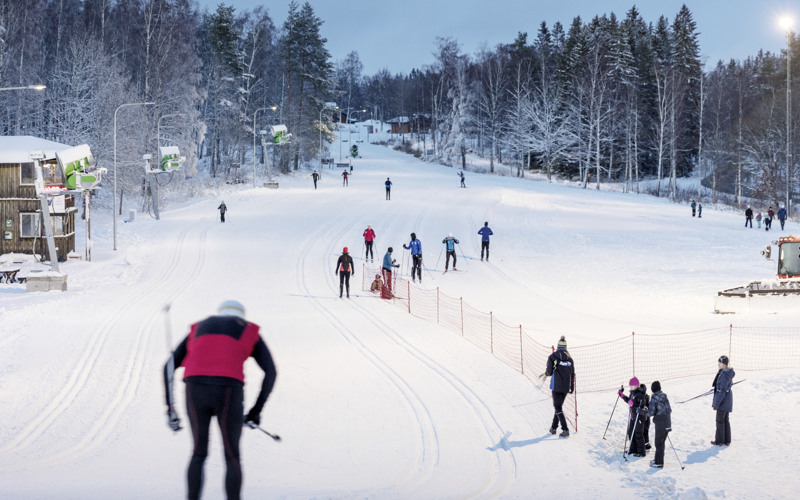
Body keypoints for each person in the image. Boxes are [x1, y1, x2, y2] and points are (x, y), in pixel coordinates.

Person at [163, 300, 277, 500]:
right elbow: (271, 372)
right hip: (228, 390)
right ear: (240, 316)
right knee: (232, 455)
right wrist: (255, 411)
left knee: (198, 453)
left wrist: (170, 408)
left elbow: (168, 367)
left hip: (195, 388)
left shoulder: (198, 328)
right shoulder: (248, 329)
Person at [542, 336, 574, 438]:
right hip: (565, 387)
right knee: (558, 407)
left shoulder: (552, 357)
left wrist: (546, 373)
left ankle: (565, 429)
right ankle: (553, 428)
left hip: (556, 386)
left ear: (558, 346)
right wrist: (571, 386)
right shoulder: (570, 358)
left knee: (557, 407)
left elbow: (549, 372)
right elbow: (572, 374)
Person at [618, 376, 648, 457]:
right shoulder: (632, 393)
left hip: (639, 418)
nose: (631, 387)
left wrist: (633, 405)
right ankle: (633, 449)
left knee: (638, 434)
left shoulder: (640, 394)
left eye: (632, 385)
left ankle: (641, 452)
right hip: (633, 417)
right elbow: (629, 401)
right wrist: (622, 396)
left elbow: (641, 406)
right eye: (630, 385)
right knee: (631, 433)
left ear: (636, 386)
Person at [647, 381, 672, 469]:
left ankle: (659, 463)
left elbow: (650, 413)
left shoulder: (654, 398)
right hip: (667, 422)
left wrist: (641, 411)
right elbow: (670, 410)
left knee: (658, 443)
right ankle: (657, 459)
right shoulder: (665, 397)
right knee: (661, 443)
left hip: (660, 424)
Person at [711, 355, 735, 446]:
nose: (718, 365)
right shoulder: (727, 372)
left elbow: (722, 391)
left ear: (724, 364)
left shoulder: (724, 375)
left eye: (720, 363)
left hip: (723, 400)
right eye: (718, 363)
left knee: (720, 420)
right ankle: (727, 440)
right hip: (727, 399)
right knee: (725, 419)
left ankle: (720, 441)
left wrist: (716, 403)